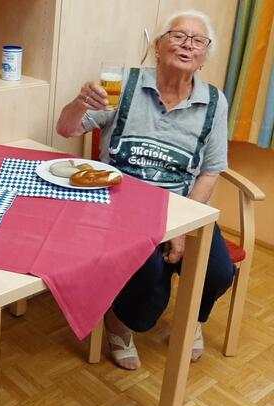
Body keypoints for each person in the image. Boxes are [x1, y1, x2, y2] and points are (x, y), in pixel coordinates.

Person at [56, 10, 235, 370]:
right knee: (149, 271)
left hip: (183, 205)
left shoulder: (214, 103)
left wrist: (182, 227)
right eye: (177, 35)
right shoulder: (123, 83)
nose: (187, 45)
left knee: (218, 270)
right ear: (157, 45)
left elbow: (211, 172)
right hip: (123, 207)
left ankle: (192, 321)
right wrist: (79, 104)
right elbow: (66, 129)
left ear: (204, 56)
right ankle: (120, 325)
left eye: (197, 40)